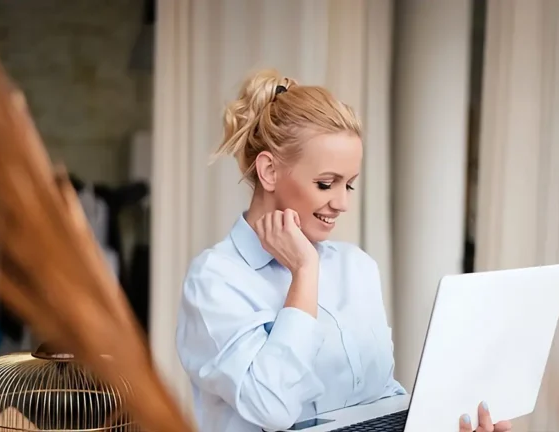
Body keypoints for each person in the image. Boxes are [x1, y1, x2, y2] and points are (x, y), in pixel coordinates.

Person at [175, 70, 512, 432]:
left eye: (348, 185)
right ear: (269, 171)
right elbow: (271, 407)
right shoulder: (215, 280)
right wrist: (305, 272)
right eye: (326, 183)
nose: (341, 203)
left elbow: (381, 397)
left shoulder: (357, 266)